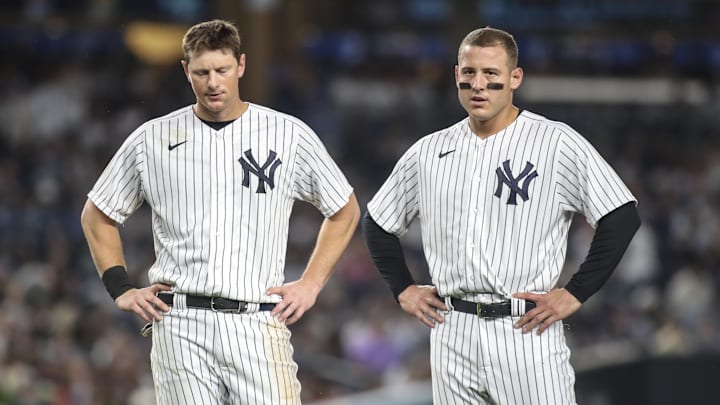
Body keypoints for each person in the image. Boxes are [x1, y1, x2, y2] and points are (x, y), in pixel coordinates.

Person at [80, 19, 360, 404]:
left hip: (258, 319)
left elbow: (344, 208)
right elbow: (97, 214)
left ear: (241, 65)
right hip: (181, 321)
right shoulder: (152, 138)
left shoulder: (287, 133)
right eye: (202, 72)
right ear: (186, 72)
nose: (213, 82)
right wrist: (121, 288)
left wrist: (311, 284)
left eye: (222, 70)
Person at [362, 27, 640, 404]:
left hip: (524, 328)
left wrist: (575, 293)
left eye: (491, 74)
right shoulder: (428, 151)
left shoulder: (554, 141)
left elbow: (621, 215)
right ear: (456, 74)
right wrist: (402, 289)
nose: (479, 84)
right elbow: (378, 221)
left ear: (515, 78)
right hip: (452, 328)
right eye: (470, 72)